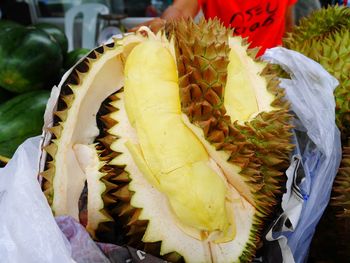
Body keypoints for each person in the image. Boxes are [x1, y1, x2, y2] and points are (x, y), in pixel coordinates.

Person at [131, 0, 298, 56]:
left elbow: (288, 22)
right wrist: (166, 24)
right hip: (226, 69)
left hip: (273, 67)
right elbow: (181, 8)